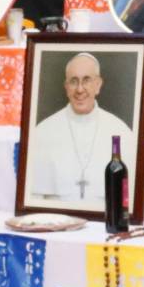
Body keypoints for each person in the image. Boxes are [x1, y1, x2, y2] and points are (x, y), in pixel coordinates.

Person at [26, 52, 129, 206]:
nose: (80, 89)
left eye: (87, 80)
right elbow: (34, 199)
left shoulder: (121, 131)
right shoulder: (43, 131)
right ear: (66, 87)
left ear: (98, 85)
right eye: (74, 81)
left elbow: (128, 199)